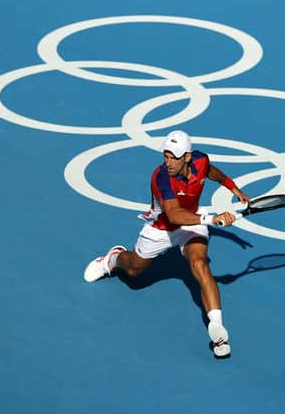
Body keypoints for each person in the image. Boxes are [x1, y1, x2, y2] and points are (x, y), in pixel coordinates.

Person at [83, 130, 250, 357]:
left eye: (174, 157)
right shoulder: (161, 177)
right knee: (133, 271)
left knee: (200, 264)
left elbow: (211, 172)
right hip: (161, 228)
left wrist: (233, 187)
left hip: (191, 223)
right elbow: (173, 215)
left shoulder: (201, 160)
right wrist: (211, 219)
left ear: (188, 157)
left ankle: (218, 332)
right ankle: (112, 259)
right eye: (166, 156)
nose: (168, 162)